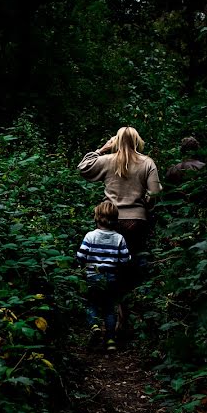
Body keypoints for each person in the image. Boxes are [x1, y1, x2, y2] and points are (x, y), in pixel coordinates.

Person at [77, 126, 162, 332]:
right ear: (136, 140)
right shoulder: (147, 162)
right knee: (129, 269)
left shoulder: (108, 160)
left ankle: (104, 314)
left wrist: (103, 149)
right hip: (136, 222)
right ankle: (124, 319)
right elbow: (156, 191)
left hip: (111, 219)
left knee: (108, 266)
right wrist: (146, 203)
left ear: (116, 141)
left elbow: (83, 167)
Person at [76, 200, 131, 351]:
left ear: (97, 217)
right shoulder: (119, 238)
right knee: (109, 309)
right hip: (111, 279)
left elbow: (80, 256)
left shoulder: (90, 236)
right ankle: (111, 341)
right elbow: (125, 260)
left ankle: (94, 326)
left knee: (91, 304)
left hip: (93, 277)